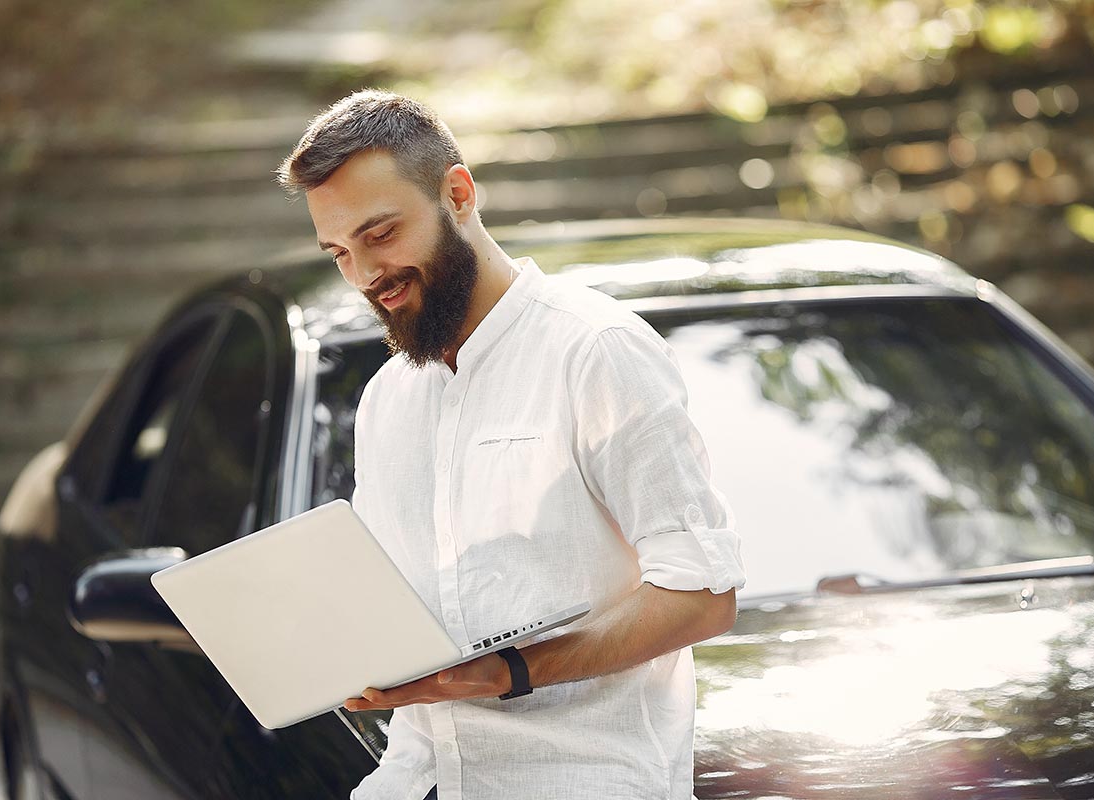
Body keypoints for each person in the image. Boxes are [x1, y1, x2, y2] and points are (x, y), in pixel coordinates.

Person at [277, 90, 745, 800]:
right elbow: (392, 615)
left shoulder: (596, 350)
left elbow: (704, 595)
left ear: (458, 194)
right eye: (340, 253)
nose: (366, 276)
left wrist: (513, 670)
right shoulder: (388, 400)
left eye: (381, 234)